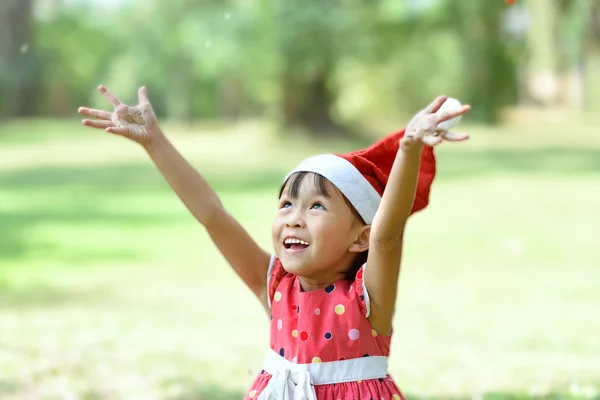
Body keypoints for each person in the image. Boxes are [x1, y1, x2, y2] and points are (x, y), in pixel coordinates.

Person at [78, 86, 470, 400]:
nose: (293, 217)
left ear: (360, 236)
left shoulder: (368, 298)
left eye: (316, 205)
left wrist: (409, 147)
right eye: (285, 204)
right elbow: (213, 215)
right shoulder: (276, 286)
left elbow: (387, 235)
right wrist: (155, 143)